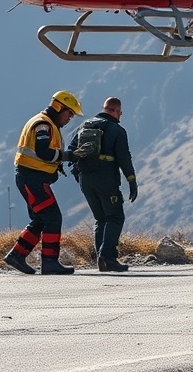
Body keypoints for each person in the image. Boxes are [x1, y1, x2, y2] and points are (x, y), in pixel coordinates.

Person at [4, 90, 92, 275]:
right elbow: (43, 152)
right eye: (69, 113)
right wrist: (69, 156)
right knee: (53, 217)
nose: (70, 119)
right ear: (59, 107)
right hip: (32, 179)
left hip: (31, 178)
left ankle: (17, 255)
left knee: (40, 219)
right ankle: (50, 261)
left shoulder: (46, 122)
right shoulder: (43, 124)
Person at [68, 96, 138, 272]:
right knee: (115, 217)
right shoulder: (116, 130)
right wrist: (131, 180)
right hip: (106, 179)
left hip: (86, 179)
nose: (120, 116)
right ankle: (108, 257)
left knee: (101, 218)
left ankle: (102, 260)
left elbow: (71, 152)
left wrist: (80, 175)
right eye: (120, 113)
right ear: (115, 111)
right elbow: (124, 157)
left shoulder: (85, 126)